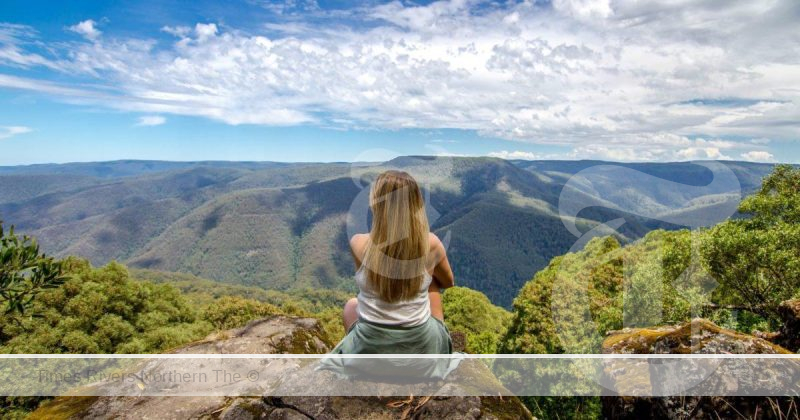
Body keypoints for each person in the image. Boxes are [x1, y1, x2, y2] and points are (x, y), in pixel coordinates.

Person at [318, 170, 460, 380]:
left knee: (350, 306)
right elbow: (448, 282)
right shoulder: (431, 244)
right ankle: (433, 350)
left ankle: (365, 355)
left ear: (376, 203)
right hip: (420, 348)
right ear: (416, 205)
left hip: (371, 347)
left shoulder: (358, 243)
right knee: (432, 285)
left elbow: (374, 289)